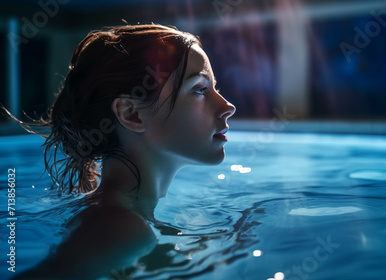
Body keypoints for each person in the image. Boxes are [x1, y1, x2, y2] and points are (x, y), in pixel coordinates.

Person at [6, 24, 236, 279]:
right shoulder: (121, 228)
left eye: (216, 88)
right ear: (132, 114)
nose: (228, 106)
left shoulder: (116, 217)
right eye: (200, 89)